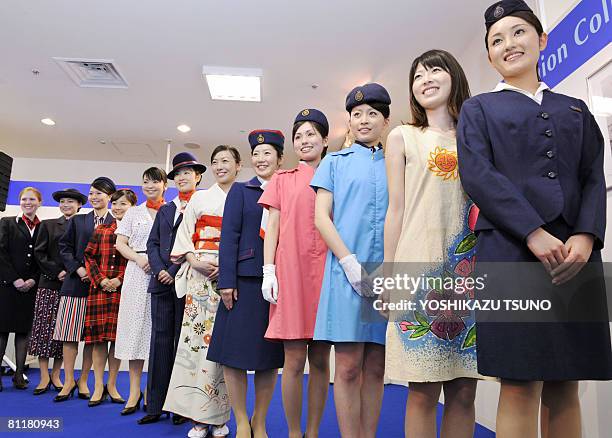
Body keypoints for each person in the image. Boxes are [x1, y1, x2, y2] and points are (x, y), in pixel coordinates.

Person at [457, 1, 612, 437]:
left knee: (568, 379)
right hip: (509, 253)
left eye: (518, 32)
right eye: (496, 40)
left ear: (541, 41)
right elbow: (479, 176)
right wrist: (532, 231)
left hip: (576, 257)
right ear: (489, 56)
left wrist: (586, 236)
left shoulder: (575, 110)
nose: (509, 44)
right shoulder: (478, 109)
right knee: (520, 382)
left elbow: (592, 177)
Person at [383, 50, 482, 438]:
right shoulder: (403, 136)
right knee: (422, 392)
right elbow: (395, 210)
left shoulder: (476, 136)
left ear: (454, 76)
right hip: (418, 270)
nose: (425, 78)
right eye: (417, 74)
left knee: (463, 391)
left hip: (471, 274)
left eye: (434, 70)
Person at [310, 83, 390, 438]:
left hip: (388, 274)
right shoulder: (334, 162)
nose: (363, 120)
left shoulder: (397, 162)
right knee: (346, 368)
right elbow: (321, 217)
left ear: (385, 120)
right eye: (357, 114)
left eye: (372, 113)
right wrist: (348, 262)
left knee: (376, 367)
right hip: (346, 274)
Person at [208, 130, 285, 438]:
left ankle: (260, 420)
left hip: (278, 284)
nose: (260, 159)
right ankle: (240, 420)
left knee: (269, 358)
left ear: (280, 158)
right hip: (242, 282)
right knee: (234, 356)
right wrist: (226, 281)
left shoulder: (289, 188)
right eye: (256, 154)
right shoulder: (241, 191)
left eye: (267, 153)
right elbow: (229, 237)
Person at [258, 109, 330, 438]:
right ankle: (293, 431)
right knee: (293, 358)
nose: (304, 140)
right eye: (298, 135)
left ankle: (312, 431)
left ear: (325, 139)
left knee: (320, 358)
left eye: (311, 133)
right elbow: (271, 227)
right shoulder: (282, 179)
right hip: (290, 273)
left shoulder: (337, 174)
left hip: (328, 273)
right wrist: (268, 270)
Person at [164, 145, 241, 438]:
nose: (220, 166)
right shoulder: (199, 198)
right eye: (215, 162)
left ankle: (220, 417)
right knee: (195, 345)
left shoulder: (245, 196)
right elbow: (184, 238)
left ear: (238, 165)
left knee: (223, 347)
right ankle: (196, 417)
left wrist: (229, 266)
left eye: (226, 161)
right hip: (199, 277)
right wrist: (195, 260)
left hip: (228, 279)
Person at [139, 155, 202, 425]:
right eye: (178, 174)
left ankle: (179, 407)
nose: (182, 178)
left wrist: (173, 271)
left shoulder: (202, 205)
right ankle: (154, 405)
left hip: (187, 282)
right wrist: (159, 269)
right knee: (160, 343)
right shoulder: (166, 209)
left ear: (197, 177)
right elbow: (152, 243)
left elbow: (195, 245)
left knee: (183, 347)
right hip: (161, 283)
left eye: (187, 173)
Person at [53, 177, 115, 402]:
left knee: (93, 338)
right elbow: (64, 248)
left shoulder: (117, 221)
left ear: (110, 196)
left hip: (102, 289)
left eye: (99, 193)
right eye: (91, 193)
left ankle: (84, 380)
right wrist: (78, 269)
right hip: (75, 284)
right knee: (69, 335)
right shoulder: (78, 220)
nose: (94, 197)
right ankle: (68, 379)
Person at [114, 169, 168, 415]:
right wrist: (137, 259)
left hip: (163, 275)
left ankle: (153, 391)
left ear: (165, 185)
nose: (150, 185)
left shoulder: (170, 210)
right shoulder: (133, 212)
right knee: (135, 332)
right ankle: (134, 391)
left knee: (158, 335)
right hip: (137, 275)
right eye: (145, 181)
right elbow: (120, 243)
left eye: (155, 181)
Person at [30, 188, 87, 395]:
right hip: (49, 284)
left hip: (73, 286)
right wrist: (57, 272)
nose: (66, 205)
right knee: (44, 332)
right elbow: (39, 253)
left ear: (79, 205)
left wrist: (71, 271)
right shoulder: (48, 225)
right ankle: (44, 376)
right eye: (63, 201)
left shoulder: (84, 225)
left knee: (64, 334)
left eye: (70, 201)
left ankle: (57, 374)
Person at [83, 189, 136, 407]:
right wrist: (100, 279)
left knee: (116, 339)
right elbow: (89, 256)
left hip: (124, 290)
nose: (117, 208)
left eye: (122, 204)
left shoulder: (136, 230)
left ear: (132, 206)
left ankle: (112, 385)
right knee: (98, 340)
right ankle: (97, 386)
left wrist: (119, 280)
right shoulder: (101, 229)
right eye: (114, 204)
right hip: (99, 289)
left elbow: (138, 259)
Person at [0, 187, 42, 391]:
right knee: (2, 330)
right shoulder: (7, 222)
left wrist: (33, 280)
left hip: (30, 287)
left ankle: (18, 375)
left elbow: (40, 258)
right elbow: (1, 253)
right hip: (8, 286)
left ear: (39, 202)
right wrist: (14, 279)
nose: (28, 202)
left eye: (32, 199)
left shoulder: (42, 227)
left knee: (24, 331)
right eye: (24, 199)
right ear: (19, 202)